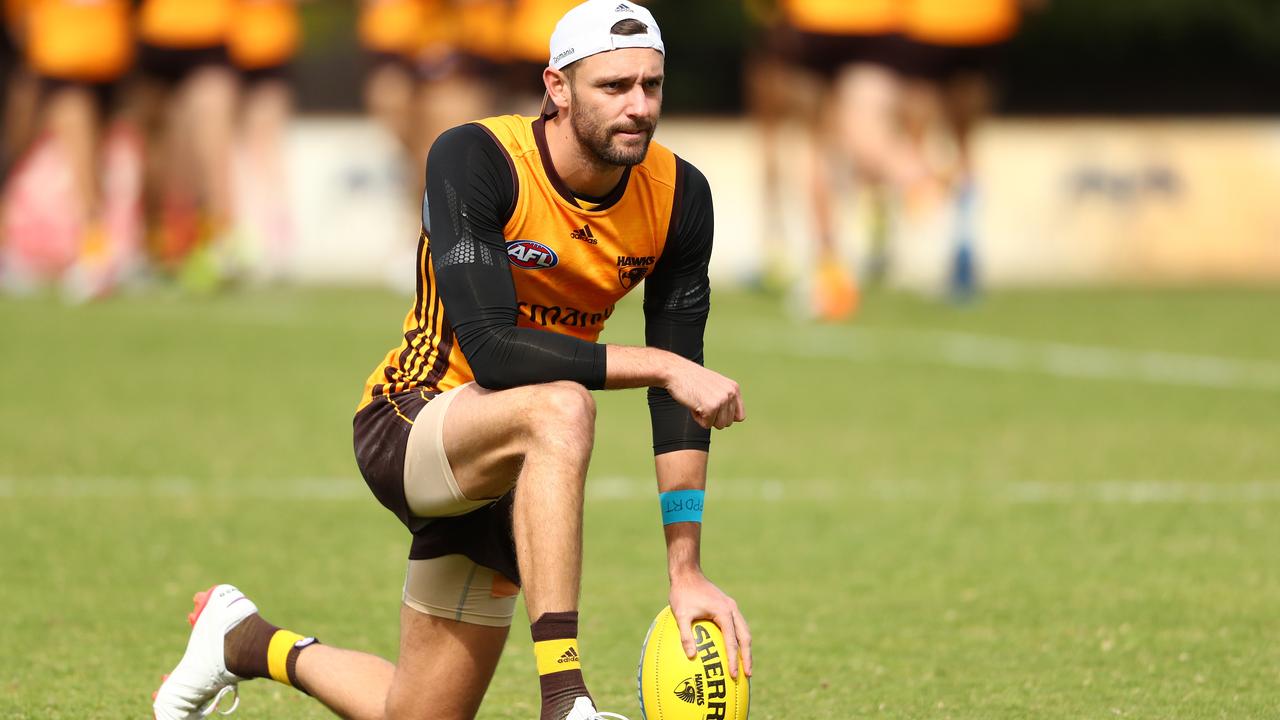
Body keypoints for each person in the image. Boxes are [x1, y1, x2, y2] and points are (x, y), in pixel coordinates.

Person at [152, 3, 753, 720]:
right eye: (614, 86)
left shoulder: (681, 196)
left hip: (515, 469)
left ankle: (242, 639)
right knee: (562, 403)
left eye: (651, 86)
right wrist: (660, 365)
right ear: (557, 88)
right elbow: (495, 351)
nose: (639, 106)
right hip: (412, 419)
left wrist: (685, 570)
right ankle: (566, 700)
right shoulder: (475, 156)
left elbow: (680, 396)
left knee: (419, 714)